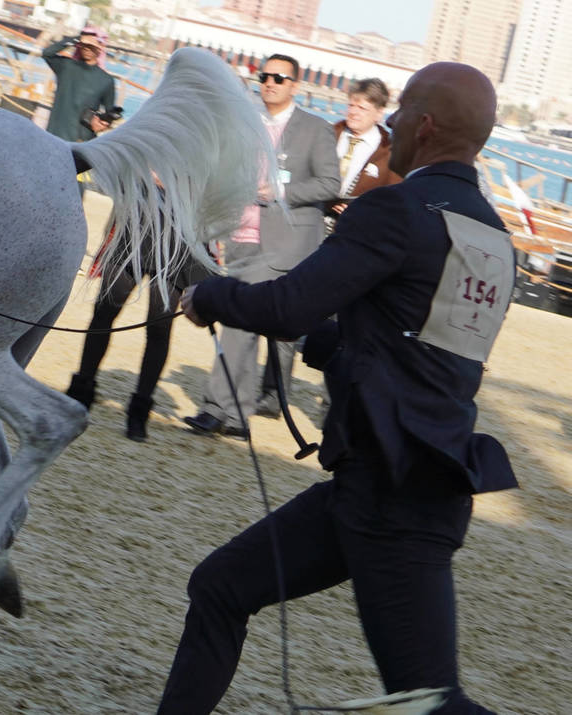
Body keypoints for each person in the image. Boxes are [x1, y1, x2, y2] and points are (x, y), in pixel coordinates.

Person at [160, 62, 517, 715]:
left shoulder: (397, 208)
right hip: (395, 482)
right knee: (219, 586)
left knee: (431, 701)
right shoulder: (495, 236)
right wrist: (331, 345)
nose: (392, 122)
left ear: (425, 124)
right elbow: (421, 346)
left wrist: (210, 293)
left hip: (393, 499)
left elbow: (288, 306)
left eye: (402, 109)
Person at [183, 53, 338, 436]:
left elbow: (329, 185)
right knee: (241, 324)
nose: (269, 83)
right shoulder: (246, 123)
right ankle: (235, 416)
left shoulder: (315, 129)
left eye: (279, 78)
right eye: (264, 76)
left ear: (295, 86)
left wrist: (281, 190)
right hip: (238, 237)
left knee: (237, 320)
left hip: (282, 244)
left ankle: (218, 409)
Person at [65, 200, 210, 441]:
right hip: (136, 225)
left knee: (159, 328)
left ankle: (139, 410)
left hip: (178, 240)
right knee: (103, 313)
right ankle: (80, 393)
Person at [328, 77, 401, 223]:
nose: (353, 112)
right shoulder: (327, 134)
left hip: (356, 229)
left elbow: (394, 200)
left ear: (379, 114)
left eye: (362, 108)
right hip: (314, 223)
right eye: (351, 105)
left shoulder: (390, 151)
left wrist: (361, 211)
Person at [35, 25, 117, 142]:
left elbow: (110, 112)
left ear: (100, 48)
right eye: (84, 46)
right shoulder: (66, 67)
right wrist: (78, 38)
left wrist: (102, 122)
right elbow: (47, 53)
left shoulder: (106, 80)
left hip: (81, 141)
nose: (87, 49)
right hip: (54, 135)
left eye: (92, 46)